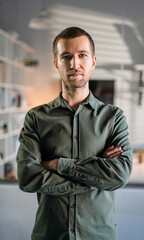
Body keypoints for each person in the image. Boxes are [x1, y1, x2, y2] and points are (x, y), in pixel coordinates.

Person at [16, 27, 132, 240]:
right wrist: (94, 178)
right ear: (56, 64)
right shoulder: (36, 118)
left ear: (93, 61)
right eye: (66, 56)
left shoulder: (114, 118)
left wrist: (59, 164)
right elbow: (27, 177)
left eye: (82, 55)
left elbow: (120, 174)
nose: (74, 64)